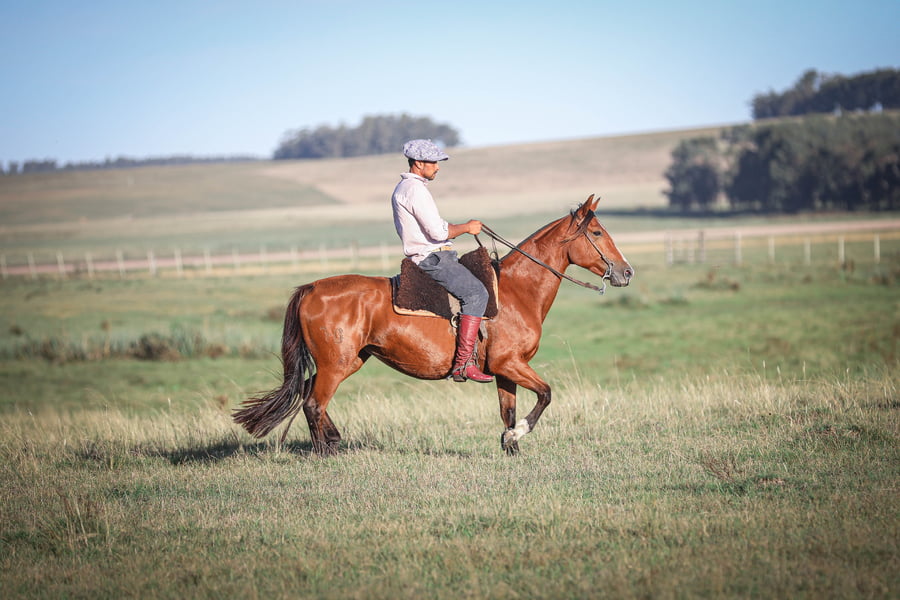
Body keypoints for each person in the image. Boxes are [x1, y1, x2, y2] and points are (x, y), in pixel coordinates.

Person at [391, 139, 493, 383]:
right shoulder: (415, 190)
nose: (437, 167)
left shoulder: (405, 188)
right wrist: (467, 227)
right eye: (433, 163)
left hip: (430, 255)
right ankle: (463, 364)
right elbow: (437, 233)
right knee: (477, 294)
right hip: (433, 258)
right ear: (418, 163)